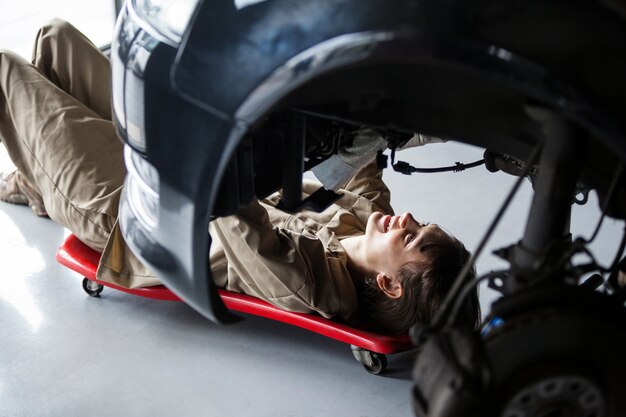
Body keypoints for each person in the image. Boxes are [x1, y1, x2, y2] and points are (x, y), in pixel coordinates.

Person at [0, 19, 480, 334]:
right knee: (54, 38)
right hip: (176, 169)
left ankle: (44, 178)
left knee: (6, 69)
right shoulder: (372, 228)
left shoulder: (306, 282)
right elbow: (365, 168)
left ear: (390, 285)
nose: (409, 218)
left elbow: (231, 210)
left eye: (414, 237)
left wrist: (229, 116)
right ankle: (39, 177)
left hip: (130, 210)